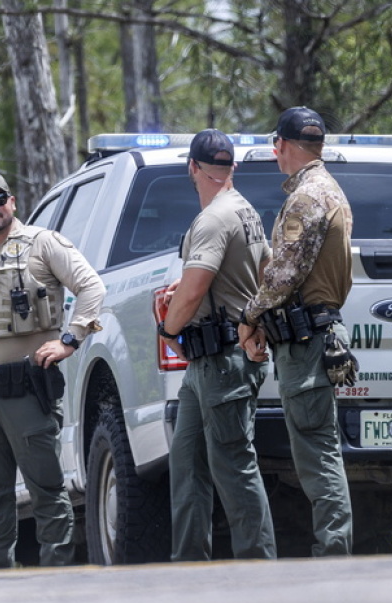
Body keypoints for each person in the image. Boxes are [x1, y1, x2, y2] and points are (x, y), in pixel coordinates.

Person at [0, 170, 104, 570]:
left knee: (46, 490)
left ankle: (56, 581)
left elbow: (92, 287)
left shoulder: (43, 244)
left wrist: (69, 340)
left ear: (12, 202)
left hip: (27, 390)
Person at [238, 107, 354, 557]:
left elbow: (283, 273)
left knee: (316, 453)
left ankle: (333, 551)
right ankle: (334, 547)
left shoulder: (308, 196)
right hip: (313, 334)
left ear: (283, 145)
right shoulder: (331, 190)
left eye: (275, 146)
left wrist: (250, 316)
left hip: (306, 341)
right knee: (319, 447)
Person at [155, 129, 275, 562]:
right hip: (210, 362)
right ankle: (189, 567)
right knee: (186, 468)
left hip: (222, 360)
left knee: (234, 467)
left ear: (193, 167)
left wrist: (168, 331)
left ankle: (258, 568)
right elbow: (265, 272)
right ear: (231, 167)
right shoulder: (245, 210)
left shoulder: (213, 219)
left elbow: (193, 291)